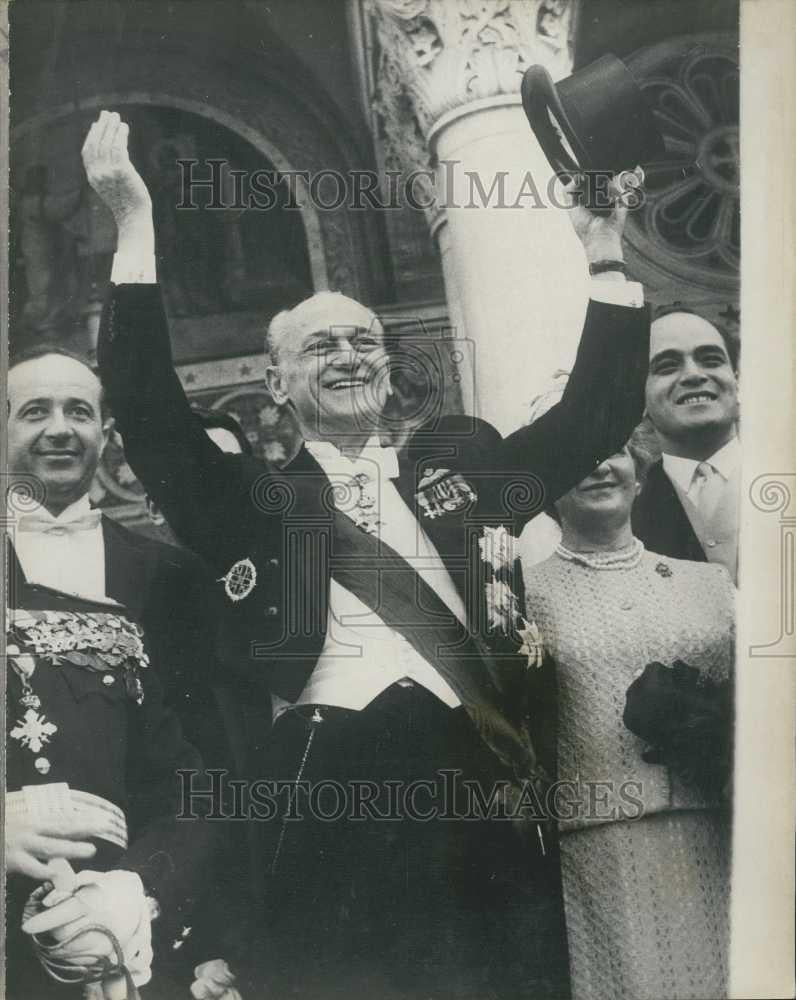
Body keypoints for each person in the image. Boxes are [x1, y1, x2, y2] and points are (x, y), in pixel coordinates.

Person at [85, 108, 650, 998]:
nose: (348, 356)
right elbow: (150, 412)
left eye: (364, 341)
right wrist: (133, 224)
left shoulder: (461, 467)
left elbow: (595, 416)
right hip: (325, 785)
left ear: (389, 366)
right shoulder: (248, 503)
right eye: (320, 346)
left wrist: (606, 249)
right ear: (275, 383)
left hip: (481, 776)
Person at [5, 347, 220, 998]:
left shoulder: (168, 576)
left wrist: (142, 891)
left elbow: (203, 771)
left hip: (127, 932)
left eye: (79, 411)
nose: (61, 428)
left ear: (108, 434)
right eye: (35, 411)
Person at [523, 437, 735, 1000]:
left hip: (718, 836)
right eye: (578, 453)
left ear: (639, 474)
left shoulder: (709, 585)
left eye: (613, 450)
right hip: (598, 850)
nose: (598, 464)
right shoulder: (521, 597)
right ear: (548, 490)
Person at [633, 305, 740, 582]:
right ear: (637, 398)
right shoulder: (627, 508)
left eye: (711, 360)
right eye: (667, 366)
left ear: (737, 380)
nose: (693, 374)